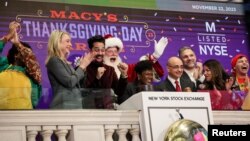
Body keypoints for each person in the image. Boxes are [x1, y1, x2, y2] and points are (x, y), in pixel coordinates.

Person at [46, 30, 93, 109]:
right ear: (57, 42)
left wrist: (83, 69)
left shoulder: (67, 64)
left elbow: (78, 85)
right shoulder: (54, 60)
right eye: (67, 41)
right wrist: (82, 66)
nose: (70, 44)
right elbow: (69, 82)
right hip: (63, 107)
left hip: (75, 106)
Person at [0, 21, 42, 109]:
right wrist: (7, 37)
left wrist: (17, 43)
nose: (26, 55)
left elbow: (34, 102)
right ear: (16, 55)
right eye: (22, 52)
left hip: (24, 120)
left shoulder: (31, 74)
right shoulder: (2, 67)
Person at [103, 34, 168, 82]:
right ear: (104, 53)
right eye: (110, 51)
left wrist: (155, 56)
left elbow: (153, 74)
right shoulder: (96, 69)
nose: (114, 54)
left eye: (115, 51)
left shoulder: (127, 69)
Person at [83, 35, 128, 102]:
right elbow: (83, 93)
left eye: (102, 50)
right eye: (97, 50)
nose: (100, 53)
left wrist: (123, 75)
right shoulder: (83, 69)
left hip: (108, 109)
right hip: (89, 109)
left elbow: (118, 92)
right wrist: (97, 78)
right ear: (90, 50)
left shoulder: (110, 70)